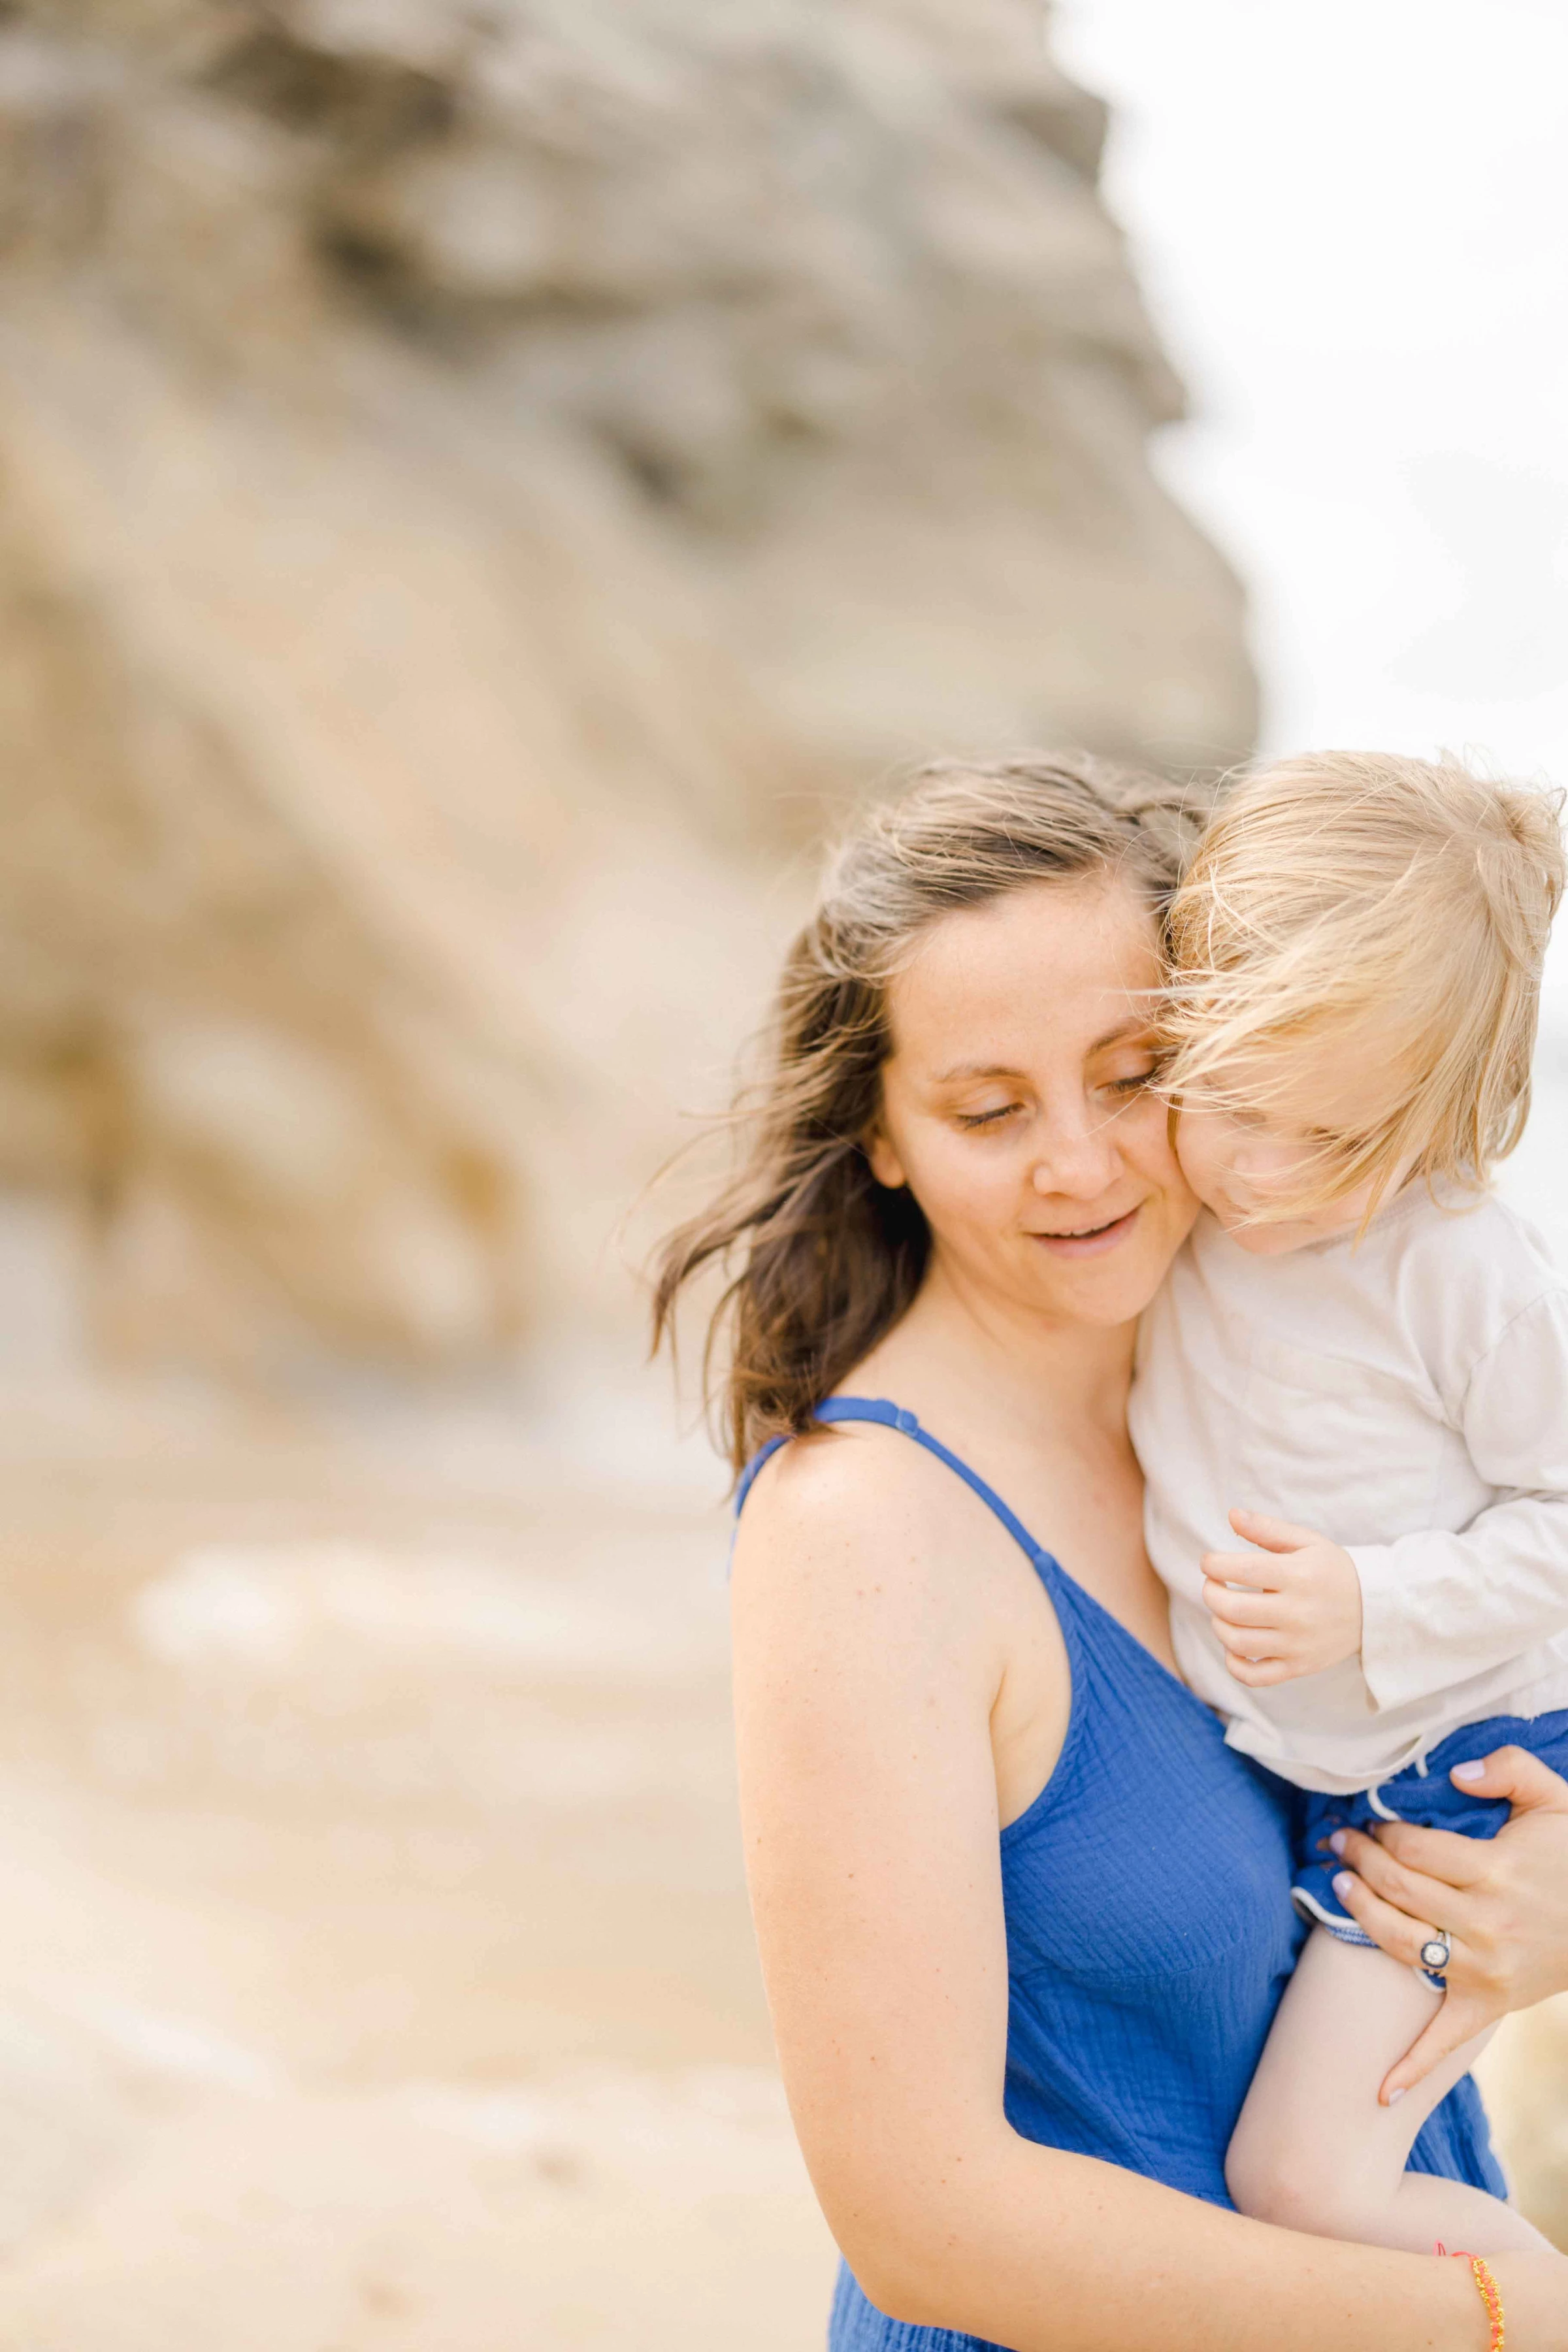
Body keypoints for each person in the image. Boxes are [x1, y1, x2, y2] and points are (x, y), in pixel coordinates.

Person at [653, 755, 1568, 2351]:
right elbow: (932, 2224)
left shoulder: (1295, 1364)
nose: (1078, 1165)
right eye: (989, 1111)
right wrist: (1508, 2316)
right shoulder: (869, 1532)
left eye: (1139, 1071)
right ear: (881, 1137)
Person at [1132, 749, 1568, 2257]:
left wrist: (1373, 1601)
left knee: (1306, 2185)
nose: (1263, 1178)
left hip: (1458, 1774)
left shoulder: (1462, 1271)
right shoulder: (1166, 1204)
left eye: (1341, 1143)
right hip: (1310, 1765)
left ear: (1452, 1117)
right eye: (1235, 1104)